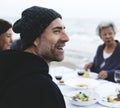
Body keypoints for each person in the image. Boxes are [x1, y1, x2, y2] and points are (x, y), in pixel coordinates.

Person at [0, 6, 69, 108]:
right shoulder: (45, 89)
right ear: (35, 39)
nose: (66, 38)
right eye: (56, 31)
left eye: (64, 30)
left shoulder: (10, 69)